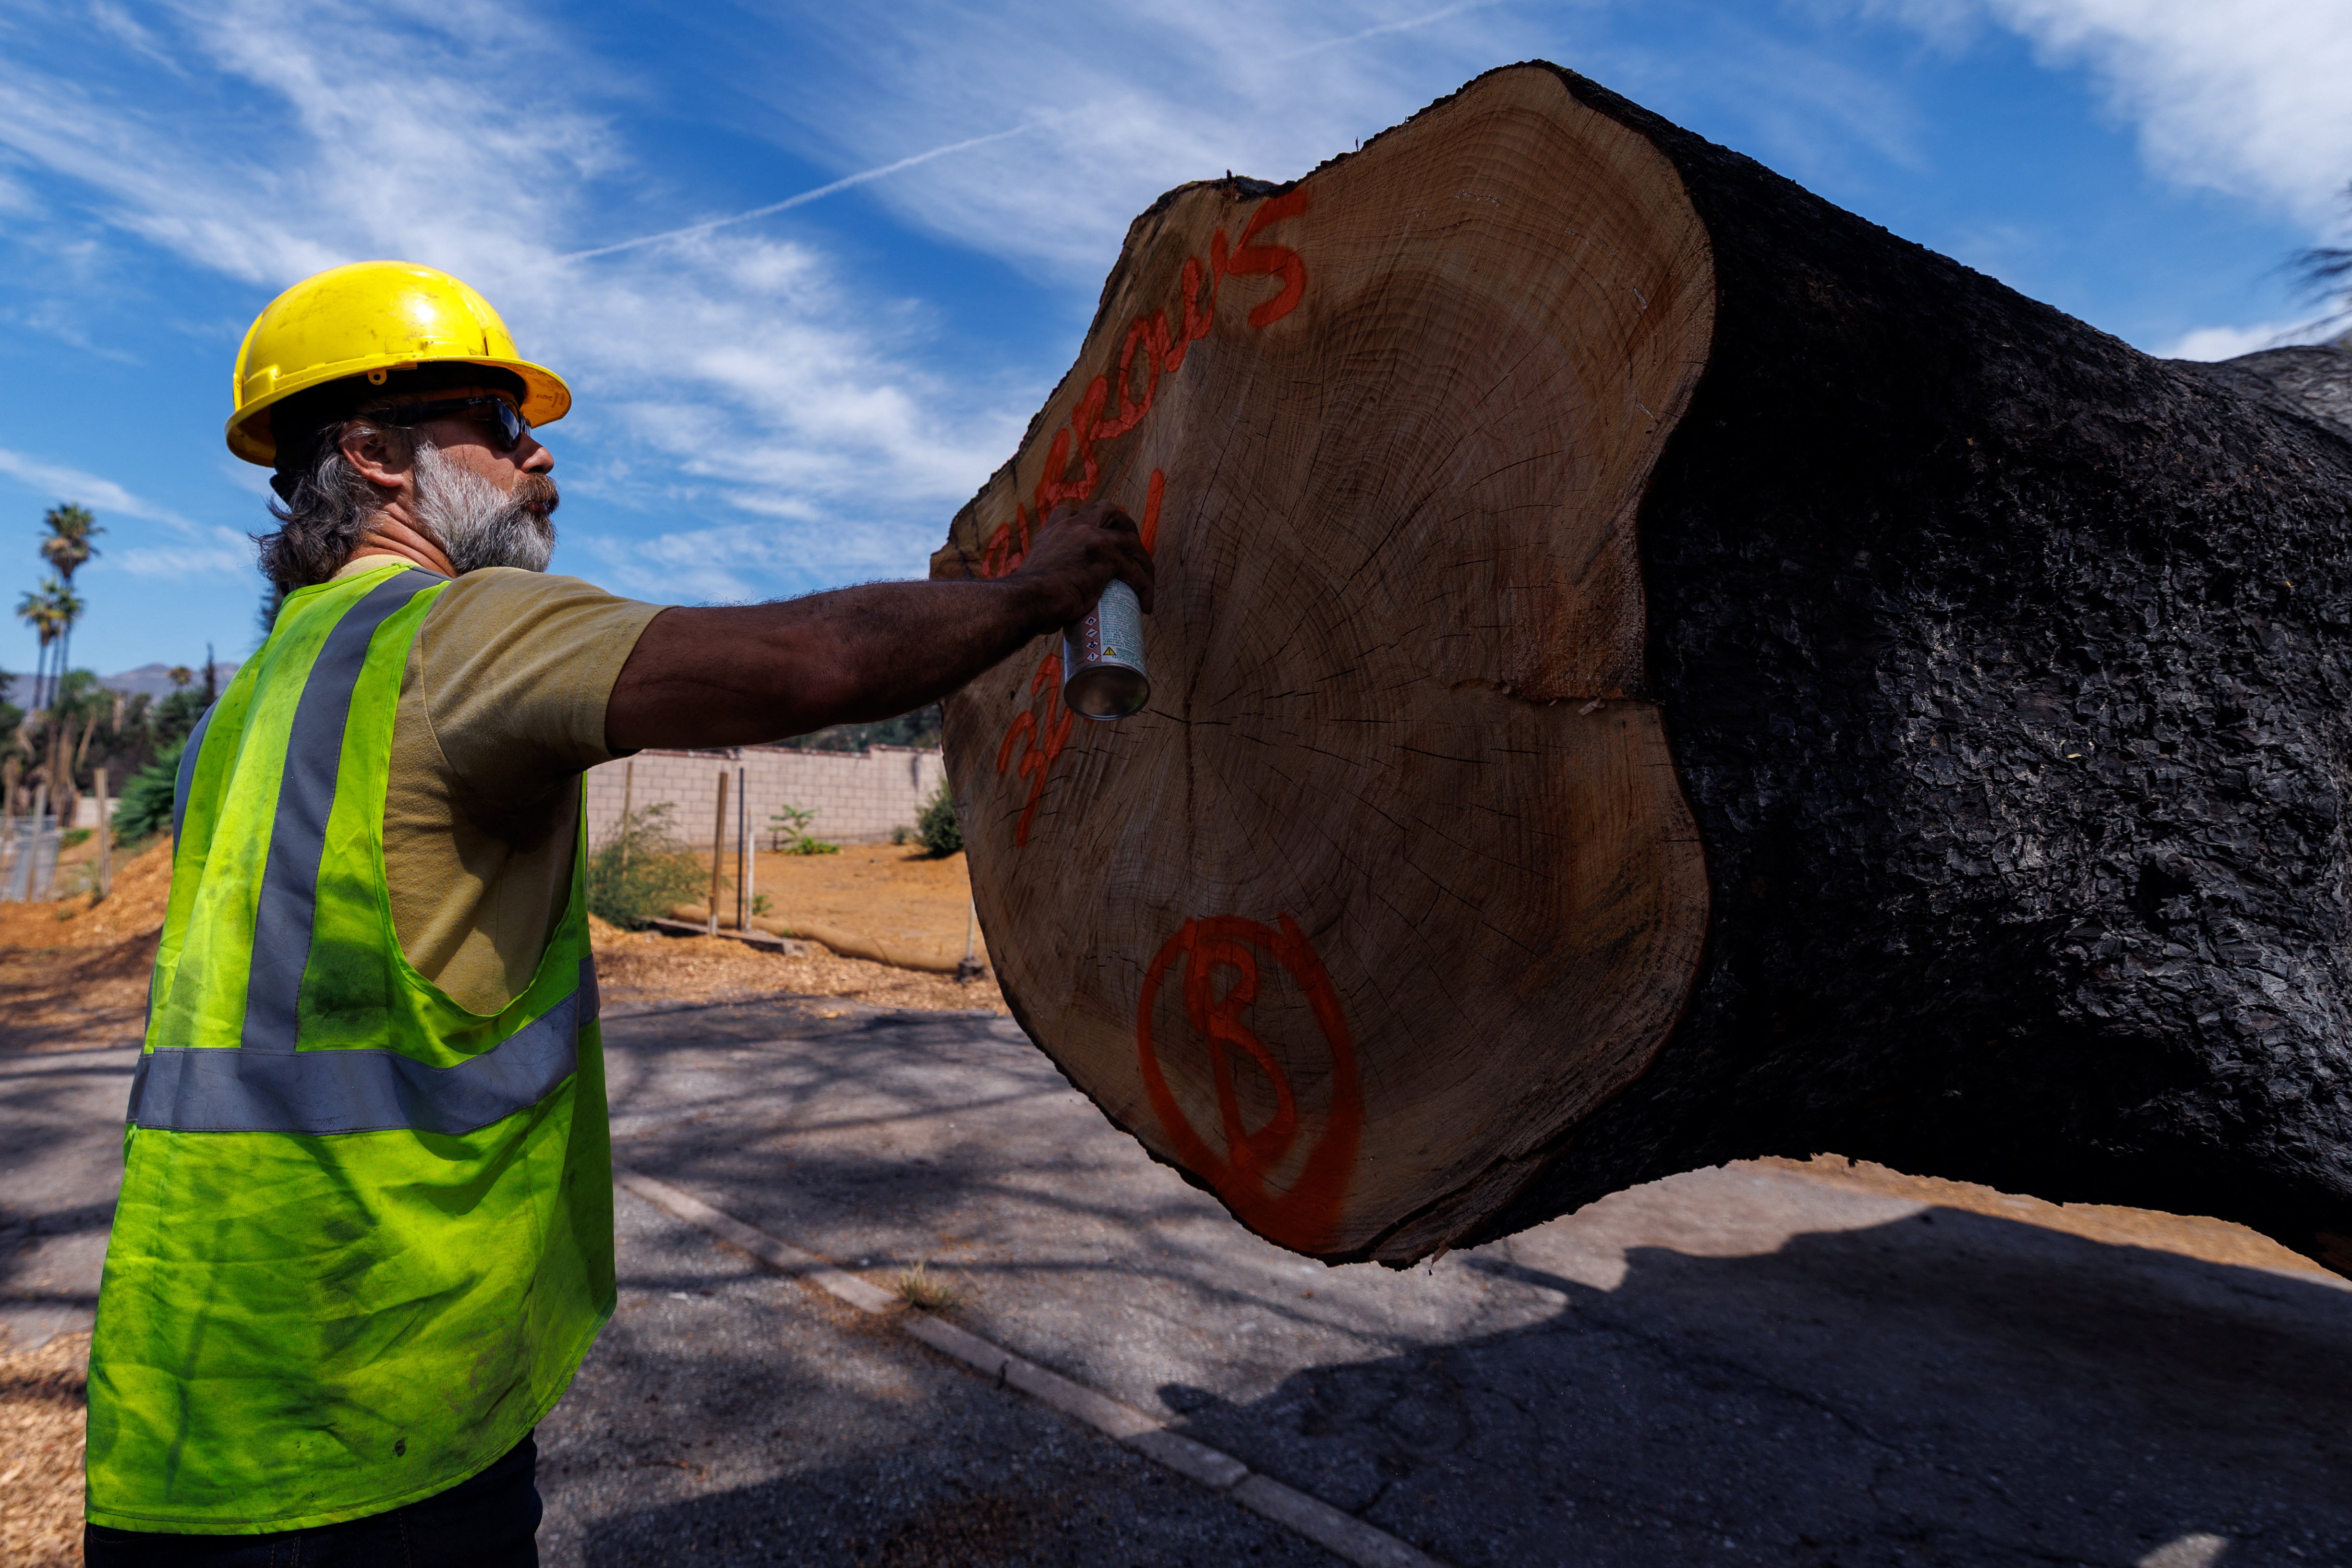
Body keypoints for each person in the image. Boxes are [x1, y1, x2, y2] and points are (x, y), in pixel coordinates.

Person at [82, 260, 1152, 1563]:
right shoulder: (453, 632)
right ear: (371, 453)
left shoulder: (244, 706)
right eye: (497, 422)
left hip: (178, 1408)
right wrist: (1039, 592)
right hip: (371, 1400)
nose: (539, 458)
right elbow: (801, 665)